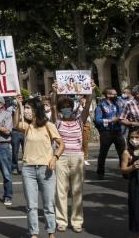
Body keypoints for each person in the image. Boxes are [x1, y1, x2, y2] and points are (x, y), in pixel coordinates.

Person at [15, 97, 64, 238]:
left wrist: (55, 157)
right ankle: (34, 233)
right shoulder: (27, 126)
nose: (26, 111)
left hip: (46, 169)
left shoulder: (49, 126)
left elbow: (61, 144)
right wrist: (18, 106)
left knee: (48, 204)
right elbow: (15, 124)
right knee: (31, 205)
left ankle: (50, 232)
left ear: (36, 110)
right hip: (28, 169)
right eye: (25, 108)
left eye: (28, 108)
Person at [52, 94, 92, 233]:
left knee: (77, 190)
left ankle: (77, 221)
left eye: (68, 106)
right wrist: (55, 92)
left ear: (72, 107)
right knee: (61, 190)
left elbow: (87, 107)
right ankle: (61, 221)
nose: (66, 109)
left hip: (77, 157)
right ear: (60, 110)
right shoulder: (57, 122)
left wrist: (90, 92)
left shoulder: (79, 121)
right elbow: (52, 107)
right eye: (63, 107)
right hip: (61, 157)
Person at [94, 88, 125, 179]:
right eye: (113, 94)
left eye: (116, 94)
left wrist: (121, 117)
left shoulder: (117, 105)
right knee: (103, 153)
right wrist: (111, 120)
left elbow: (121, 115)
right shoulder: (101, 106)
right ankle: (100, 172)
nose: (116, 96)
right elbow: (97, 120)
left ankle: (124, 171)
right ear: (108, 95)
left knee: (122, 152)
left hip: (117, 131)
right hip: (106, 132)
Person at [11, 94, 25, 175]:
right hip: (15, 131)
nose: (19, 99)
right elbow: (14, 122)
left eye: (20, 97)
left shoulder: (26, 108)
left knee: (26, 151)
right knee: (15, 151)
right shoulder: (12, 108)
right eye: (17, 98)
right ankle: (14, 167)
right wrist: (18, 107)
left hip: (24, 131)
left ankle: (26, 167)